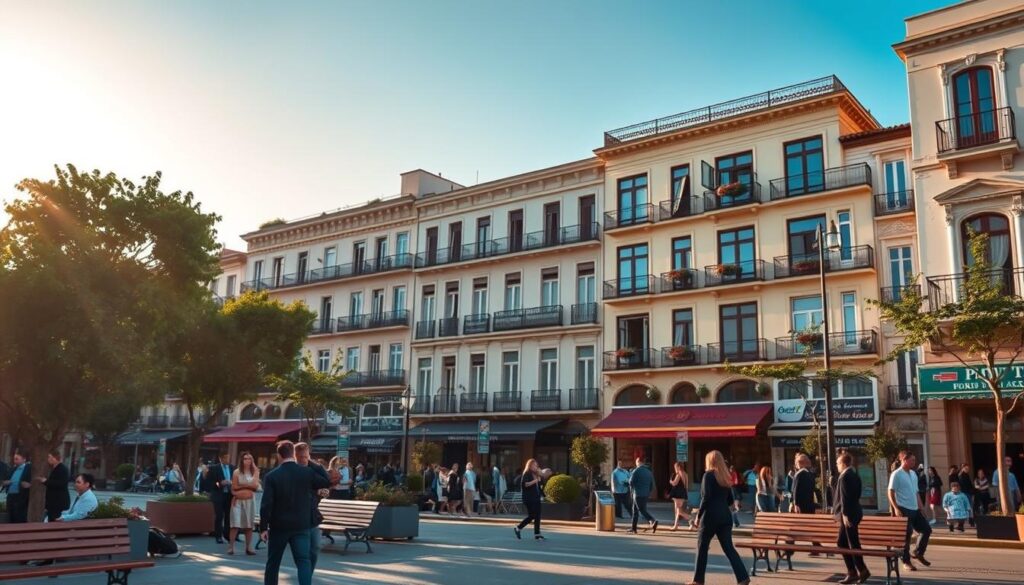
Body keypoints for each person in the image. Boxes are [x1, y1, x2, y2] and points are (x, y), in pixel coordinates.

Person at [260, 440, 330, 585]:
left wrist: (263, 527)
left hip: (278, 526)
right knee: (304, 561)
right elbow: (325, 480)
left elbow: (266, 504)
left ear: (279, 456)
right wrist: (312, 462)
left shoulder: (272, 476)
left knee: (273, 562)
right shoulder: (307, 472)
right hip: (301, 525)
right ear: (293, 453)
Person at [688, 450, 749, 585]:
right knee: (729, 548)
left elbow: (706, 497)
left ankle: (698, 580)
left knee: (702, 547)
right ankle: (743, 577)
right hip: (725, 517)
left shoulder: (708, 476)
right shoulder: (726, 477)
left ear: (709, 461)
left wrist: (698, 515)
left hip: (710, 516)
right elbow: (730, 501)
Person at [887, 450, 931, 572]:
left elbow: (916, 493)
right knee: (906, 535)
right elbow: (890, 492)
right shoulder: (896, 474)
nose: (914, 462)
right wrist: (895, 508)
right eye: (912, 460)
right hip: (903, 508)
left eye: (914, 460)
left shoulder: (913, 474)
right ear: (904, 460)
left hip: (915, 509)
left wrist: (921, 508)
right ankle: (906, 561)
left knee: (926, 530)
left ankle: (918, 552)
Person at [833, 452, 869, 584]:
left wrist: (845, 514)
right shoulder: (855, 475)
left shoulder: (844, 477)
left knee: (852, 543)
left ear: (843, 463)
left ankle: (860, 571)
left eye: (837, 463)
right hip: (855, 512)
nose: (837, 466)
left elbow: (845, 498)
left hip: (848, 515)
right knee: (843, 542)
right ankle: (855, 571)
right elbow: (856, 495)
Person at [295, 443, 328, 571]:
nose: (303, 460)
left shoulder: (312, 469)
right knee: (302, 553)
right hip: (297, 516)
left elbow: (326, 480)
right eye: (301, 457)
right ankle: (305, 573)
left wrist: (313, 463)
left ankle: (308, 572)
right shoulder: (293, 470)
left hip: (312, 515)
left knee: (315, 548)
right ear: (295, 456)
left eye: (306, 456)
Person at [229, 451, 261, 555]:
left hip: (249, 501)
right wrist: (247, 486)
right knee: (235, 524)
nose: (248, 461)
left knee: (249, 525)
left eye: (250, 458)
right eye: (245, 459)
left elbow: (255, 486)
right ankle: (231, 547)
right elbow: (234, 487)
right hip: (238, 501)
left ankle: (248, 547)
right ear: (241, 460)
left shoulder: (255, 471)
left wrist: (242, 486)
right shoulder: (237, 472)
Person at [513, 459, 545, 540]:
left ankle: (537, 534)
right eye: (535, 465)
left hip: (536, 498)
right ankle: (518, 528)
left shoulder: (536, 474)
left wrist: (543, 495)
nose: (536, 467)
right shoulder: (526, 473)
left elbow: (539, 486)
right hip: (529, 498)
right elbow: (525, 485)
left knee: (537, 516)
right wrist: (535, 480)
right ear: (530, 465)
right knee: (532, 516)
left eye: (537, 465)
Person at [208, 452, 236, 544]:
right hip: (218, 495)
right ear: (220, 458)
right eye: (225, 458)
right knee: (219, 516)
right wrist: (220, 483)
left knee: (228, 516)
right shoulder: (214, 468)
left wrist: (231, 483)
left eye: (228, 458)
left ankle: (227, 535)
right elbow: (211, 482)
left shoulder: (233, 468)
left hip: (229, 495)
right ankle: (218, 536)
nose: (228, 460)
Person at [36, 449, 70, 522]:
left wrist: (45, 481)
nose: (48, 459)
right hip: (53, 502)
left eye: (49, 457)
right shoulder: (55, 468)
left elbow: (61, 483)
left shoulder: (62, 469)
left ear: (55, 458)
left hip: (58, 502)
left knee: (54, 521)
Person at [627, 456, 658, 534]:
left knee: (641, 510)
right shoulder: (649, 472)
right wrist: (648, 492)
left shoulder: (636, 471)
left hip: (637, 494)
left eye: (636, 462)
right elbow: (652, 485)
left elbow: (630, 482)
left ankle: (652, 520)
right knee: (635, 511)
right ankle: (633, 528)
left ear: (639, 462)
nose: (636, 463)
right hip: (645, 494)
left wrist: (633, 488)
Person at [2, 452, 32, 523]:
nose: (15, 461)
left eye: (17, 459)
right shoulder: (12, 469)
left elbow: (32, 481)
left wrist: (29, 485)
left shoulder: (28, 468)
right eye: (14, 459)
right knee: (10, 516)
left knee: (19, 517)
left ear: (24, 459)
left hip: (21, 497)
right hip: (10, 496)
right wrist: (5, 482)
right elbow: (5, 480)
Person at [668, 461, 691, 531]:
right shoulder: (686, 474)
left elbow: (675, 483)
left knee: (679, 511)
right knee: (677, 511)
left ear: (678, 467)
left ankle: (692, 519)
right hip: (683, 494)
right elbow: (686, 486)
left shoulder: (678, 474)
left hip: (678, 495)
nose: (675, 469)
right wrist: (686, 495)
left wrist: (671, 481)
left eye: (675, 467)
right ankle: (676, 525)